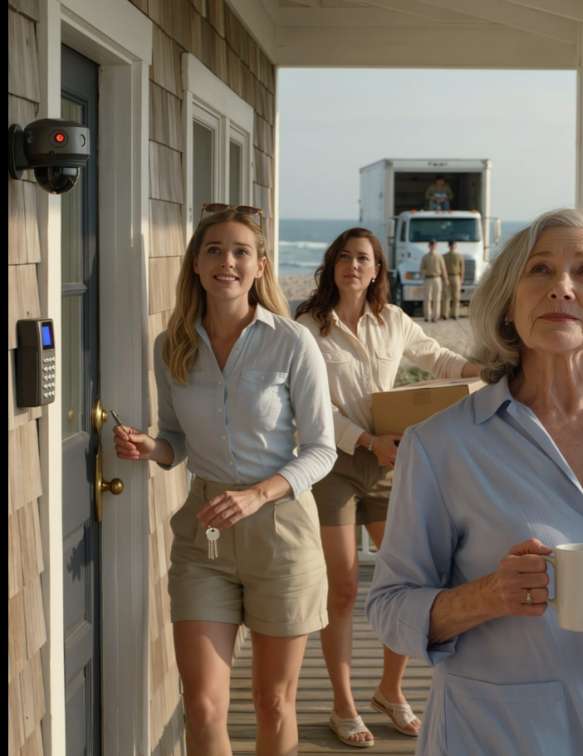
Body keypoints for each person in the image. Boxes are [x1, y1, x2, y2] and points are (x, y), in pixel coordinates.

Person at [366, 208, 583, 756]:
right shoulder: (440, 444)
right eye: (540, 270)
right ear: (508, 306)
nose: (561, 287)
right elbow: (389, 608)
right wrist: (486, 596)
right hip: (500, 735)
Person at [114, 206, 337, 756]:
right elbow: (175, 436)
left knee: (272, 703)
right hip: (203, 534)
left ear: (260, 266)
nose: (227, 262)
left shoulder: (291, 342)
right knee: (204, 706)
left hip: (281, 532)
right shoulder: (172, 345)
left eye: (241, 252)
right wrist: (155, 448)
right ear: (195, 263)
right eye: (214, 249)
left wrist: (260, 493)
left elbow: (322, 450)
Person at [295, 227, 481, 748]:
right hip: (333, 465)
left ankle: (391, 692)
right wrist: (364, 440)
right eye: (346, 257)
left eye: (365, 259)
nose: (354, 265)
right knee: (345, 589)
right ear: (333, 265)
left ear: (378, 270)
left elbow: (440, 360)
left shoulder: (393, 321)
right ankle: (342, 703)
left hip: (391, 467)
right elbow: (309, 407)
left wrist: (491, 371)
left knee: (407, 579)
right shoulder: (308, 328)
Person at [420, 239, 449, 322]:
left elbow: (443, 269)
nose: (432, 246)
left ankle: (435, 317)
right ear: (429, 246)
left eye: (434, 245)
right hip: (428, 278)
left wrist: (446, 279)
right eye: (431, 245)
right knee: (427, 298)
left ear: (436, 246)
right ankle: (427, 316)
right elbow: (422, 270)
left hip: (437, 278)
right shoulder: (425, 257)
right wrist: (422, 279)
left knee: (437, 298)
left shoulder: (439, 257)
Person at [441, 240, 465, 320]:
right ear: (455, 246)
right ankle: (455, 314)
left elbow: (442, 268)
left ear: (448, 246)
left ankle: (445, 314)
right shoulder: (459, 256)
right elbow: (462, 268)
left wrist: (444, 278)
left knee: (446, 296)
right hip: (456, 277)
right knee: (456, 297)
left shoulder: (444, 256)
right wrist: (461, 277)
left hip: (447, 277)